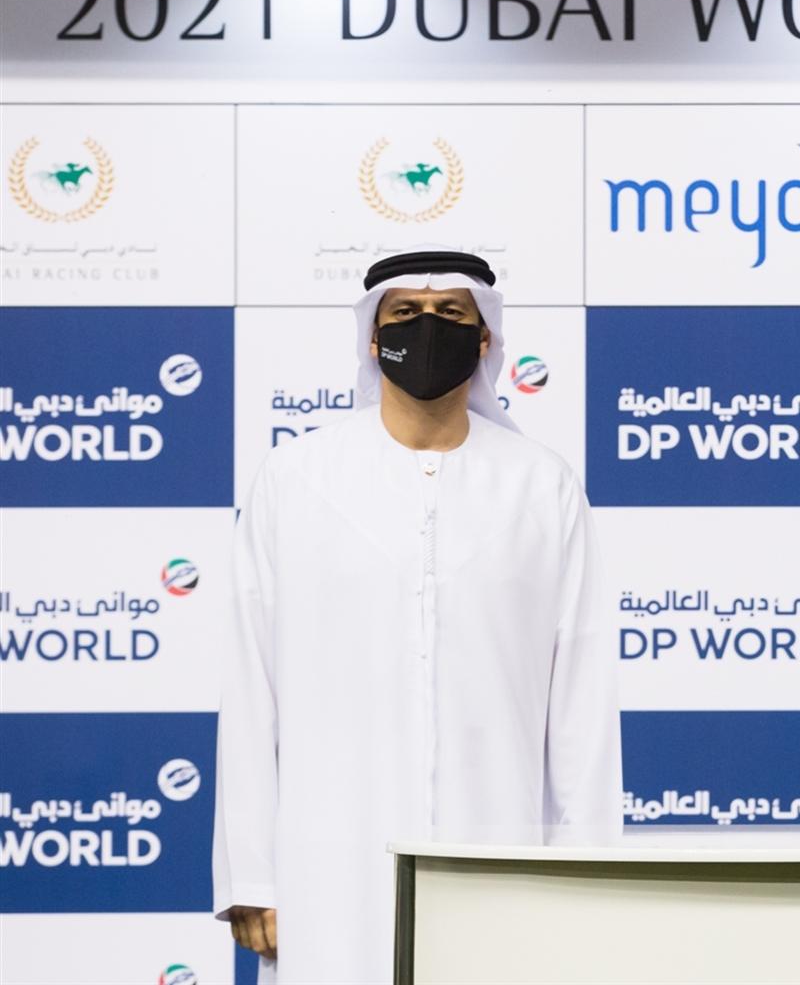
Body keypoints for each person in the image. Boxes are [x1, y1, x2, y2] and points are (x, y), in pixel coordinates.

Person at [213, 249, 621, 983]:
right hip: (328, 872)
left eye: (452, 315)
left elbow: (582, 700)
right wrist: (252, 876)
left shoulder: (540, 486)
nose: (428, 329)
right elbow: (251, 687)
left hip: (501, 863)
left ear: (485, 339)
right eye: (405, 314)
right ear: (373, 337)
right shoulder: (297, 479)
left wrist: (589, 874)